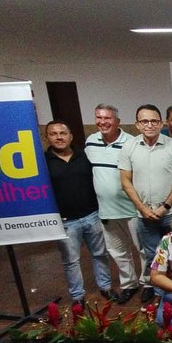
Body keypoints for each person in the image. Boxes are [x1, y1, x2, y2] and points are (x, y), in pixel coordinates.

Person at [119, 104, 172, 304]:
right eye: (145, 121)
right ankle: (159, 292)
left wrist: (165, 206)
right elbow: (125, 181)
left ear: (161, 123)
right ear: (137, 124)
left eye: (154, 121)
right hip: (144, 215)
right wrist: (142, 208)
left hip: (171, 213)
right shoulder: (129, 147)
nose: (149, 125)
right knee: (153, 255)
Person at [44, 120, 113, 308]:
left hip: (92, 215)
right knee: (71, 261)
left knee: (100, 254)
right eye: (54, 134)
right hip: (65, 221)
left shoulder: (84, 156)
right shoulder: (43, 163)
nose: (59, 137)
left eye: (63, 133)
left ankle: (105, 287)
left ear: (70, 136)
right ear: (47, 137)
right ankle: (77, 296)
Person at [84, 104, 141, 304]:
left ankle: (149, 283)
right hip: (106, 210)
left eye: (107, 118)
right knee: (118, 251)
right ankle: (129, 284)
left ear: (117, 121)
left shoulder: (131, 142)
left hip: (132, 207)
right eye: (99, 118)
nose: (102, 122)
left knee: (142, 248)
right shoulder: (90, 142)